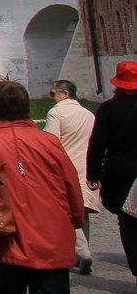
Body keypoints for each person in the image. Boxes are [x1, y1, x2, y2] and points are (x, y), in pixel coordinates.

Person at [0, 80, 85, 294]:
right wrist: (76, 216)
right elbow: (70, 183)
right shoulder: (48, 141)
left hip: (1, 236)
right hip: (51, 234)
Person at [87, 60, 137, 282]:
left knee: (127, 221)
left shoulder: (109, 108)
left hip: (121, 172)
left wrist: (93, 174)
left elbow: (97, 144)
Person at [44, 79, 99, 275]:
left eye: (53, 94)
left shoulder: (56, 112)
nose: (51, 98)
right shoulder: (88, 114)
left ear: (65, 93)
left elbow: (51, 142)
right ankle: (80, 254)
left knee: (68, 214)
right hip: (87, 168)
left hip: (66, 168)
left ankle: (83, 254)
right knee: (82, 213)